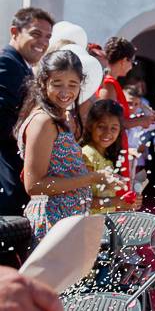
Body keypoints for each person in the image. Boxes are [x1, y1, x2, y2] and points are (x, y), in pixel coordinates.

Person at [15, 50, 107, 245]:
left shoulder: (58, 118)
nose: (65, 92)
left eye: (72, 85)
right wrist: (90, 178)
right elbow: (34, 185)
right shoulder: (43, 121)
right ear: (43, 82)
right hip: (53, 225)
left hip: (67, 222)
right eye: (57, 84)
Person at [0, 8, 54, 216]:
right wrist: (38, 128)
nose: (43, 42)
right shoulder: (7, 63)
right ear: (15, 32)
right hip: (7, 175)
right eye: (36, 34)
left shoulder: (22, 66)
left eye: (48, 36)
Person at [97, 37, 155, 182]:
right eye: (132, 62)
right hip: (111, 148)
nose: (131, 67)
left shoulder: (113, 83)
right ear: (124, 61)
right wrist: (140, 121)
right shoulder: (108, 84)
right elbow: (107, 122)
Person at [81, 99, 141, 214]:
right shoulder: (88, 155)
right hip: (89, 222)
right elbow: (83, 201)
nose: (108, 132)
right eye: (101, 126)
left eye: (114, 128)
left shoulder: (107, 157)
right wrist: (117, 202)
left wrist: (128, 201)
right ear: (90, 126)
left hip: (103, 221)